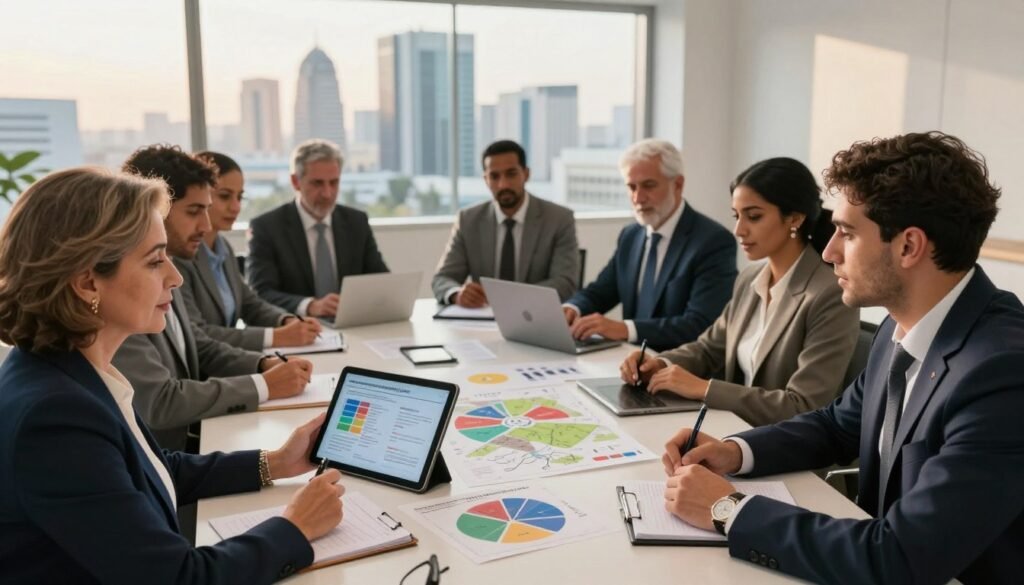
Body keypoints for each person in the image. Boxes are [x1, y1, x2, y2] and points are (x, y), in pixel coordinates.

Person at [660, 132, 1023, 584]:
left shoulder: (1002, 372)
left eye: (847, 233)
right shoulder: (904, 321)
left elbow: (899, 557)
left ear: (909, 246)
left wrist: (727, 509)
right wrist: (734, 452)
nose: (828, 251)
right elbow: (836, 424)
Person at [0, 167, 344, 583]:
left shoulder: (68, 372)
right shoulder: (55, 416)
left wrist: (274, 462)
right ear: (88, 282)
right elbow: (179, 579)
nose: (176, 277)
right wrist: (295, 527)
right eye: (154, 261)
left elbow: (151, 470)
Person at [620, 158, 860, 426]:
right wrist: (660, 363)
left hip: (784, 446)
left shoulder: (829, 294)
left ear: (795, 218)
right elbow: (710, 348)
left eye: (754, 216)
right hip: (732, 428)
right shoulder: (750, 279)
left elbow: (804, 405)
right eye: (737, 216)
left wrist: (704, 388)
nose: (739, 230)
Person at [116, 145, 312, 451]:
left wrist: (264, 364)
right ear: (152, 210)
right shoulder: (120, 293)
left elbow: (199, 345)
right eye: (195, 211)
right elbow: (159, 402)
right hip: (166, 463)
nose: (207, 226)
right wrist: (263, 385)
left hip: (191, 449)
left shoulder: (168, 270)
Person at [563, 139, 737, 351]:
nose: (638, 197)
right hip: (631, 363)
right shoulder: (631, 235)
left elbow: (700, 325)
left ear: (678, 185)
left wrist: (625, 329)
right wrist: (573, 308)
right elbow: (601, 291)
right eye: (631, 187)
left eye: (648, 185)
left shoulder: (713, 242)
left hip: (680, 368)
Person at [174, 151, 322, 351]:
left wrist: (287, 320)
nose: (236, 207)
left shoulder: (222, 247)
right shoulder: (179, 255)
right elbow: (196, 334)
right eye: (225, 196)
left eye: (240, 197)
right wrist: (275, 336)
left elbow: (249, 304)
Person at [247, 139, 389, 317]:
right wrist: (309, 306)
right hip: (297, 328)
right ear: (295, 182)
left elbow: (381, 281)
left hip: (351, 325)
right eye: (317, 183)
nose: (327, 193)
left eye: (334, 183)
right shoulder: (267, 228)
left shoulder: (356, 222)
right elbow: (261, 293)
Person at [431, 140, 579, 306]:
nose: (503, 184)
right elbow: (442, 278)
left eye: (511, 174)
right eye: (494, 176)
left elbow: (565, 283)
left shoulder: (559, 219)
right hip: (481, 323)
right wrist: (457, 294)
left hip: (535, 318)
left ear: (526, 174)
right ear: (485, 179)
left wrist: (510, 299)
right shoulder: (468, 220)